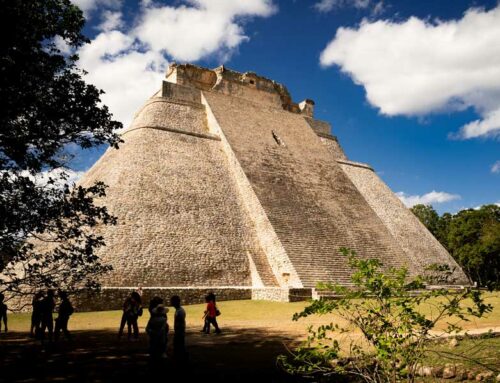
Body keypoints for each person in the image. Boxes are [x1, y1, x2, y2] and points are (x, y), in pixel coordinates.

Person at [170, 295, 186, 360]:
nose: (171, 303)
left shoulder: (180, 311)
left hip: (180, 331)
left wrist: (178, 331)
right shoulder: (178, 310)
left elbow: (180, 322)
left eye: (172, 302)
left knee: (179, 346)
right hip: (178, 331)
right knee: (178, 346)